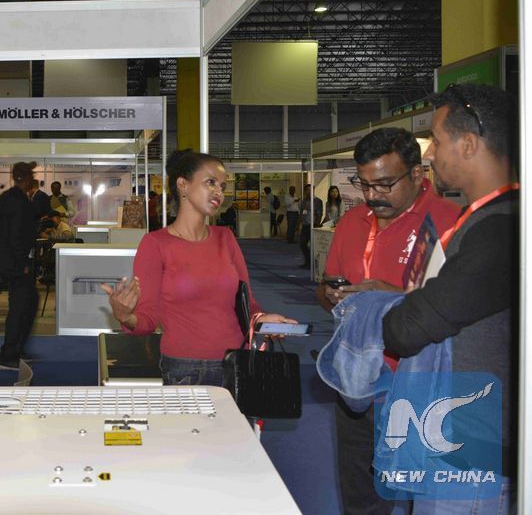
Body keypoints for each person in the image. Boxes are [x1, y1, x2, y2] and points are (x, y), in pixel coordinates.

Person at [382, 84, 517, 513]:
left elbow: (406, 329)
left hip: (473, 454)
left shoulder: (499, 231)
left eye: (437, 141)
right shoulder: (487, 220)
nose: (430, 153)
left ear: (469, 144)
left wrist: (388, 310)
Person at [315, 127, 460, 515]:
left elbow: (460, 310)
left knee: (425, 498)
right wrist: (331, 294)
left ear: (417, 174)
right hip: (356, 381)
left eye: (384, 184)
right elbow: (324, 291)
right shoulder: (352, 222)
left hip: (421, 386)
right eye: (364, 185)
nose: (372, 196)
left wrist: (388, 296)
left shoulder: (450, 222)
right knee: (360, 494)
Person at [100, 149, 296, 386]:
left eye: (222, 186)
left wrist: (263, 320)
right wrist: (125, 316)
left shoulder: (225, 238)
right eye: (210, 182)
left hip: (237, 363)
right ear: (182, 185)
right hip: (186, 369)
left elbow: (247, 304)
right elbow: (147, 319)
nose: (218, 192)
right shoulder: (155, 244)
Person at [0, 162, 39, 370]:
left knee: (28, 302)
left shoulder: (7, 198)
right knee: (19, 308)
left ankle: (16, 349)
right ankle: (8, 355)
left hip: (9, 261)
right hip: (16, 264)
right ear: (26, 178)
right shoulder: (18, 202)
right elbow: (16, 236)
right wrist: (23, 263)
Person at [298, 184, 323, 268]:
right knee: (302, 244)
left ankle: (313, 264)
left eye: (311, 189)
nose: (309, 191)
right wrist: (299, 222)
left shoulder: (317, 201)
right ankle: (308, 261)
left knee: (313, 246)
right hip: (305, 225)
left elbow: (319, 213)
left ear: (314, 190)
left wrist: (317, 224)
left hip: (313, 226)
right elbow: (302, 212)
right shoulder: (304, 201)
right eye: (307, 190)